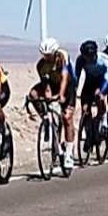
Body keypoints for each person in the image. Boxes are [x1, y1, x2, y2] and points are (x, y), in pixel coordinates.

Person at [31, 37, 76, 173]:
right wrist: (47, 96)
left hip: (68, 86)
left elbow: (64, 78)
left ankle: (68, 153)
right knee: (33, 94)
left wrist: (61, 95)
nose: (46, 58)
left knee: (67, 117)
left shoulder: (62, 57)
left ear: (55, 52)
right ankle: (46, 119)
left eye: (49, 55)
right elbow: (45, 84)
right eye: (44, 55)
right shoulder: (41, 65)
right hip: (53, 84)